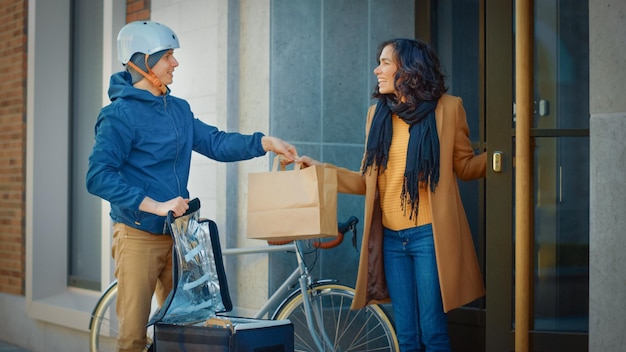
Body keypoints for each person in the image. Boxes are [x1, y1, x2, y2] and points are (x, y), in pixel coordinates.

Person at [86, 21, 296, 352]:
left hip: (180, 237)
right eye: (168, 56)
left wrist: (265, 142)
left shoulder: (179, 109)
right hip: (137, 235)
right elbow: (98, 176)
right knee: (132, 338)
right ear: (143, 60)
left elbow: (216, 143)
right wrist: (155, 205)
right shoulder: (118, 116)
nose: (175, 63)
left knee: (190, 327)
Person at [298, 38, 486, 351]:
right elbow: (366, 181)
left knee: (433, 332)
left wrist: (505, 158)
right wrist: (321, 169)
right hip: (392, 240)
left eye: (385, 62)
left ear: (410, 69)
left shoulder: (448, 110)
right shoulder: (378, 115)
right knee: (407, 335)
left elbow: (465, 167)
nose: (377, 69)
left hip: (429, 237)